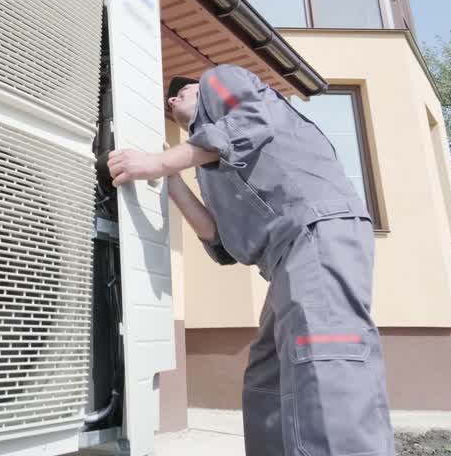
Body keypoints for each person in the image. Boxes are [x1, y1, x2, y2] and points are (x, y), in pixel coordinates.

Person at [108, 64, 394, 456]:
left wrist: (161, 162)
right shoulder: (208, 167)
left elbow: (250, 119)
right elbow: (221, 242)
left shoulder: (219, 82)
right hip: (283, 261)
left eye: (179, 94)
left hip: (315, 229)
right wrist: (170, 180)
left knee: (325, 357)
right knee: (268, 375)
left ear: (188, 93)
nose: (174, 100)